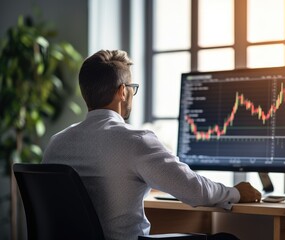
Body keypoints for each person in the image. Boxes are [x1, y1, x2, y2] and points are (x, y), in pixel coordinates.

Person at [42, 50, 262, 240]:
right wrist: (234, 192)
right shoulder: (135, 140)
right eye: (132, 88)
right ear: (122, 91)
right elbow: (194, 191)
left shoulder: (56, 143)